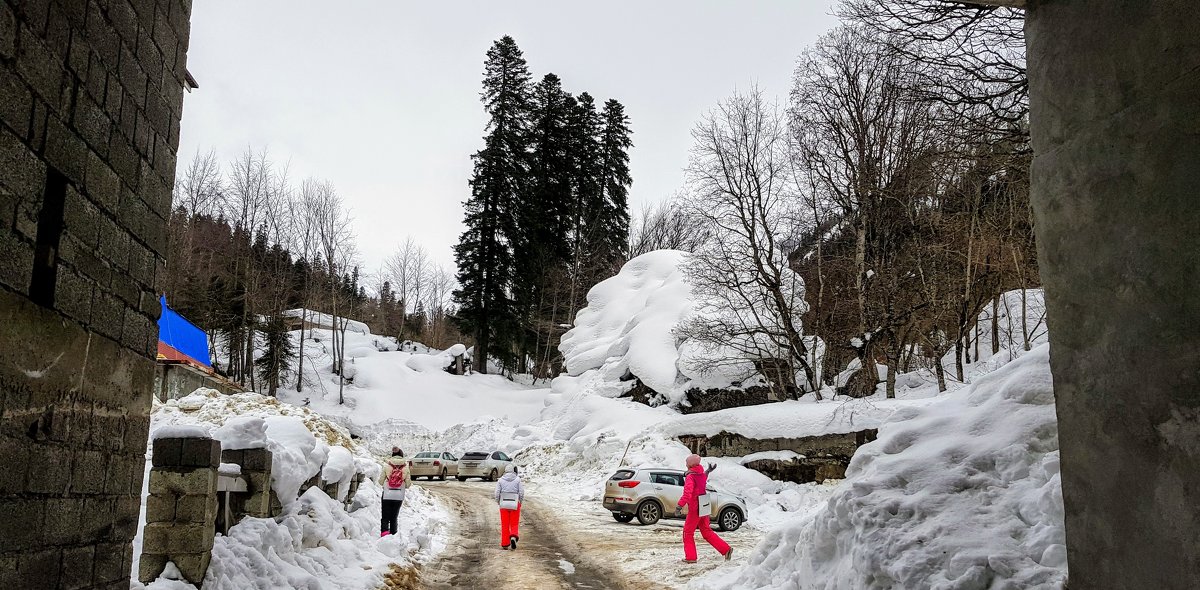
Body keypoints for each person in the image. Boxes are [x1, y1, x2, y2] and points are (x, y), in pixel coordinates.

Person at [675, 454, 731, 563]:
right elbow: (703, 477)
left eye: (687, 462)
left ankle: (691, 557)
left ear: (690, 464)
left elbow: (688, 493)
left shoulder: (690, 476)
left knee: (688, 533)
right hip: (704, 505)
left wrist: (679, 506)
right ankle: (726, 549)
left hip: (695, 508)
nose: (686, 464)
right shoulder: (700, 474)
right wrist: (708, 471)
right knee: (706, 531)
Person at [380, 447, 411, 537]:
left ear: (392, 455)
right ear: (402, 456)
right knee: (394, 516)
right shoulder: (406, 468)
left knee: (385, 515)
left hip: (387, 494)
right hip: (399, 495)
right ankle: (393, 534)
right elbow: (408, 484)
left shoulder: (387, 466)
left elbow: (380, 482)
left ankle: (384, 534)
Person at [494, 464, 525, 550]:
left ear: (505, 471)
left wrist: (498, 502)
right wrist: (520, 502)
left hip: (503, 504)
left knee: (505, 524)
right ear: (513, 471)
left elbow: (497, 493)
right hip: (515, 504)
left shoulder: (500, 480)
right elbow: (521, 492)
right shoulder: (518, 480)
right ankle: (513, 537)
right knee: (514, 523)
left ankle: (505, 543)